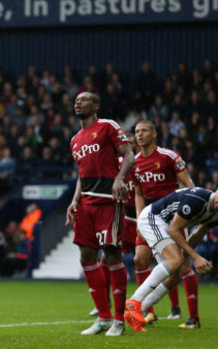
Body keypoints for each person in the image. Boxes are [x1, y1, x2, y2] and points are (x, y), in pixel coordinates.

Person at [125, 182, 218, 332]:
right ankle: (134, 301)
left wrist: (186, 255)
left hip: (164, 226)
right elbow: (175, 230)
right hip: (152, 219)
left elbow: (198, 234)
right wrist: (195, 257)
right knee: (175, 260)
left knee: (175, 275)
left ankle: (135, 313)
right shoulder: (198, 200)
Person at [65, 91, 134, 336]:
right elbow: (81, 176)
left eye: (83, 100)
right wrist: (74, 200)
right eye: (76, 100)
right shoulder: (74, 140)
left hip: (108, 201)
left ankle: (118, 319)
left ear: (95, 105)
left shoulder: (107, 126)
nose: (77, 102)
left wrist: (119, 179)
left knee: (113, 253)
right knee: (86, 256)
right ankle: (103, 317)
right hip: (86, 204)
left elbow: (129, 155)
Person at [132, 120, 196, 326]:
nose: (139, 135)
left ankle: (193, 317)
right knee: (139, 259)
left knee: (182, 265)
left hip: (172, 215)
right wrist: (139, 220)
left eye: (143, 131)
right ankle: (147, 312)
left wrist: (190, 213)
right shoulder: (134, 162)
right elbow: (138, 194)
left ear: (154, 134)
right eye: (136, 132)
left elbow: (189, 185)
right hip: (149, 217)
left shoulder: (169, 156)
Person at [90, 133, 138, 318]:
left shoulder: (137, 163)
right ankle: (106, 303)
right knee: (106, 259)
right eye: (123, 141)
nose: (125, 144)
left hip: (137, 217)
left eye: (129, 142)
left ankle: (152, 307)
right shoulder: (112, 162)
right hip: (120, 214)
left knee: (143, 259)